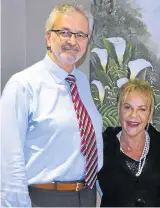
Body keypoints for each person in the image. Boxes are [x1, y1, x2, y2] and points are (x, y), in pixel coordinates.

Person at [1, 3, 103, 207]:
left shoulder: (81, 82)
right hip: (44, 198)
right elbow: (8, 162)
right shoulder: (23, 86)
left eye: (81, 35)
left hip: (86, 197)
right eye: (65, 32)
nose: (73, 41)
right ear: (49, 37)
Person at [98, 79, 160, 206]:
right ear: (119, 109)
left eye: (142, 109)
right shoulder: (102, 145)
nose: (133, 115)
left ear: (149, 114)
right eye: (127, 107)